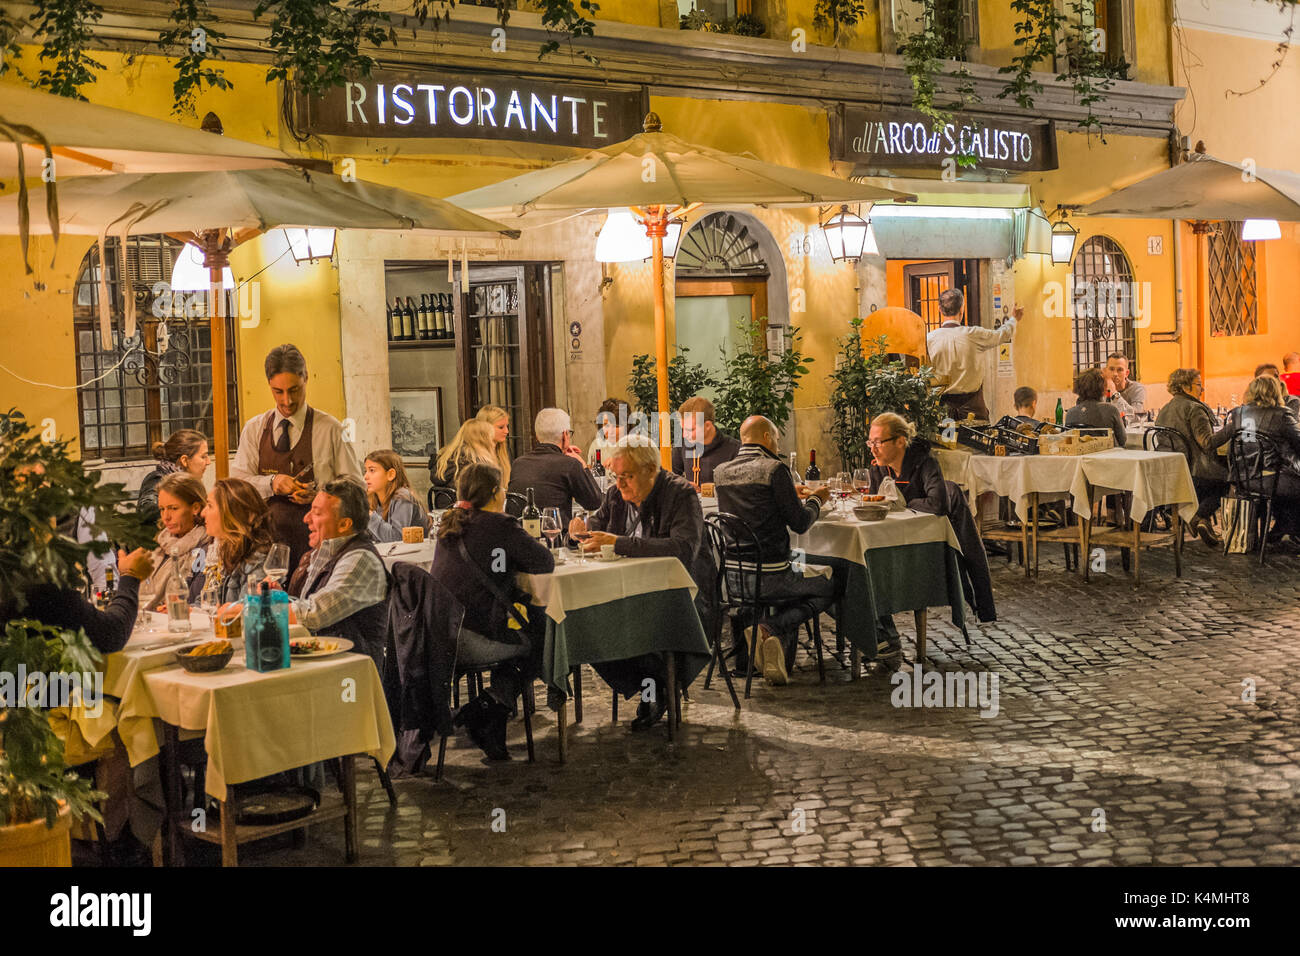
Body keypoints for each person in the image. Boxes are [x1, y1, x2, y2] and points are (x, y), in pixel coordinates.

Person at [568, 436, 716, 730]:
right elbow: (597, 529)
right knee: (586, 628)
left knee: (632, 627)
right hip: (625, 593)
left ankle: (656, 687)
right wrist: (579, 533)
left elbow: (683, 548)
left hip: (676, 595)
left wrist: (620, 543)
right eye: (617, 476)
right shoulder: (614, 496)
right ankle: (658, 684)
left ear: (651, 470)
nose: (620, 484)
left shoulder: (680, 494)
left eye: (628, 476)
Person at [431, 463, 554, 760]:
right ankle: (482, 708)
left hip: (440, 639)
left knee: (518, 641)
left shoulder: (449, 524)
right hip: (473, 639)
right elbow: (544, 562)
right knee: (544, 641)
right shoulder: (500, 525)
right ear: (495, 493)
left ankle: (491, 727)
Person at [713, 415, 845, 685]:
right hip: (772, 578)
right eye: (775, 436)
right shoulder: (774, 470)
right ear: (765, 438)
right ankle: (771, 628)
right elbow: (799, 524)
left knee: (799, 587)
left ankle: (770, 643)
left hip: (733, 580)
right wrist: (815, 500)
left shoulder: (720, 472)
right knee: (834, 583)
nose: (777, 442)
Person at [230, 343, 362, 571]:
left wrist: (320, 492)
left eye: (294, 390)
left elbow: (357, 489)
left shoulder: (331, 429)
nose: (287, 401)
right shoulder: (254, 429)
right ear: (269, 385)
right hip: (264, 548)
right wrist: (272, 483)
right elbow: (238, 486)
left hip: (318, 547)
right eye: (278, 392)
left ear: (306, 379)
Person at [867, 412, 996, 633]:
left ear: (900, 442)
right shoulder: (879, 467)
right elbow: (877, 503)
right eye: (871, 441)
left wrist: (905, 501)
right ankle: (881, 631)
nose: (872, 448)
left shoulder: (925, 462)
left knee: (972, 555)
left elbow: (937, 503)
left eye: (878, 442)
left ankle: (984, 609)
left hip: (939, 537)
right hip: (902, 536)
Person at [277, 478, 389, 672]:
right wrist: (280, 597)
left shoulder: (360, 560)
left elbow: (315, 613)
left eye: (317, 513)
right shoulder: (318, 554)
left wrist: (255, 612)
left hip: (351, 676)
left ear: (345, 524)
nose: (306, 519)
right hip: (322, 664)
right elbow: (305, 604)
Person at [1211, 374, 1300, 537]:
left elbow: (1214, 441)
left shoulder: (1239, 413)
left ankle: (1283, 527)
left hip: (1242, 479)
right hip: (1271, 479)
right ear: (1276, 391)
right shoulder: (1282, 415)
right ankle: (1287, 527)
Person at [1155, 368, 1228, 546]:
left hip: (1170, 471)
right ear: (1185, 386)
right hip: (1195, 471)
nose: (1202, 389)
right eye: (1198, 385)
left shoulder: (1165, 409)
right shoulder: (1194, 409)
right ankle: (1198, 516)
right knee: (1229, 480)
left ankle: (1195, 517)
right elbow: (1207, 443)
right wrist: (1230, 430)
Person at [926, 292, 1021, 421]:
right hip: (973, 408)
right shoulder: (973, 334)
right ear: (962, 309)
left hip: (941, 411)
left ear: (939, 309)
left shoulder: (929, 339)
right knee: (975, 441)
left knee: (942, 441)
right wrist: (1014, 319)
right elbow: (1002, 335)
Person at [507, 407, 603, 525]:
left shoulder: (518, 463)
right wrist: (583, 465)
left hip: (521, 537)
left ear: (537, 436)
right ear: (565, 435)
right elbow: (594, 502)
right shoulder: (570, 465)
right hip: (555, 537)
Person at [199, 477, 278, 605]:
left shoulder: (258, 560)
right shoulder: (218, 550)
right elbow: (205, 603)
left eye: (210, 506)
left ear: (235, 514)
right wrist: (188, 610)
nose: (203, 513)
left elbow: (244, 613)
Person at [139, 473, 211, 610]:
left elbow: (196, 597)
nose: (166, 517)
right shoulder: (161, 542)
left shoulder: (204, 547)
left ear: (195, 508)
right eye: (162, 509)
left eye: (173, 508)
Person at [136, 429, 210, 526]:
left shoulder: (189, 484)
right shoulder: (158, 479)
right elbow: (145, 509)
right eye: (203, 457)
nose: (208, 462)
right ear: (184, 460)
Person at [671, 396, 741, 486]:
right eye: (683, 429)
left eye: (690, 429)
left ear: (707, 425)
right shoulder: (681, 445)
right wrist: (682, 485)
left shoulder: (735, 449)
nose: (684, 435)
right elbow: (671, 479)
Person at [364, 449, 428, 542]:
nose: (365, 476)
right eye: (365, 470)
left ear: (391, 474)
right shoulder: (374, 499)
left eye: (372, 470)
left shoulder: (403, 497)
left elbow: (397, 538)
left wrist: (368, 514)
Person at [1065, 368, 1127, 447]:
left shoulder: (1070, 413)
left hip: (1081, 456)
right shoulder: (1111, 410)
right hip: (1107, 456)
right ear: (1103, 388)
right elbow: (1123, 440)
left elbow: (1069, 442)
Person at [431, 419, 498, 488]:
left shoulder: (445, 457)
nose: (494, 443)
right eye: (492, 439)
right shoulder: (477, 463)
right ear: (483, 439)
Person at [475, 404, 514, 485]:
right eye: (501, 427)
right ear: (485, 428)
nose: (506, 431)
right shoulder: (472, 454)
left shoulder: (505, 449)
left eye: (507, 426)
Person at [588, 397, 631, 467]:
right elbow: (590, 471)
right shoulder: (596, 445)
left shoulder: (635, 447)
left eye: (616, 426)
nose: (611, 431)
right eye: (606, 425)